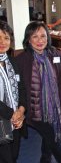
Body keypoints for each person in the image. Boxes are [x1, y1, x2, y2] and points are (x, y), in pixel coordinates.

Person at [16, 21, 61, 163]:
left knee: (48, 138)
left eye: (43, 36)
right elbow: (15, 85)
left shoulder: (53, 54)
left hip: (52, 107)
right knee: (53, 141)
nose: (40, 41)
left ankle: (44, 160)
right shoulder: (22, 60)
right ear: (28, 39)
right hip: (32, 110)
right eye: (35, 37)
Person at [0, 20, 26, 163]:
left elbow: (22, 89)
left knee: (14, 156)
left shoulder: (12, 62)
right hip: (4, 119)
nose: (2, 42)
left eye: (6, 38)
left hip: (16, 121)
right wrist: (13, 114)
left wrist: (21, 111)